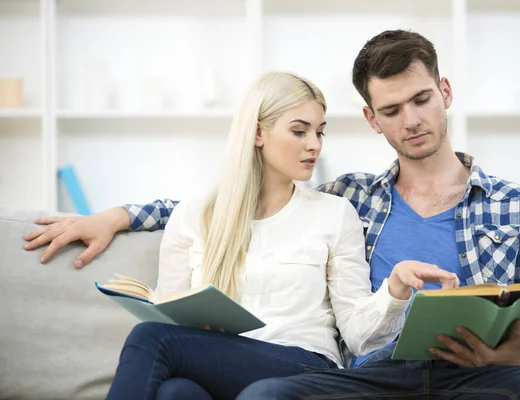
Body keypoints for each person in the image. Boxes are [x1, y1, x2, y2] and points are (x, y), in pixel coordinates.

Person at [24, 30, 520, 399]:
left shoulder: (518, 206)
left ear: (444, 92)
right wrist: (119, 215)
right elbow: (243, 204)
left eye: (421, 100)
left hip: (477, 374)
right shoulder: (350, 197)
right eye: (392, 109)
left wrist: (512, 353)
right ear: (373, 120)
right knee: (257, 395)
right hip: (375, 375)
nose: (412, 119)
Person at [103, 71, 460, 400]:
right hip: (219, 364)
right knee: (176, 393)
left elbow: (358, 334)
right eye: (299, 131)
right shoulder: (192, 216)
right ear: (258, 133)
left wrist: (395, 290)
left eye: (319, 132)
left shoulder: (334, 214)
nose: (314, 145)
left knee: (150, 338)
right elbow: (170, 318)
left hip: (304, 366)